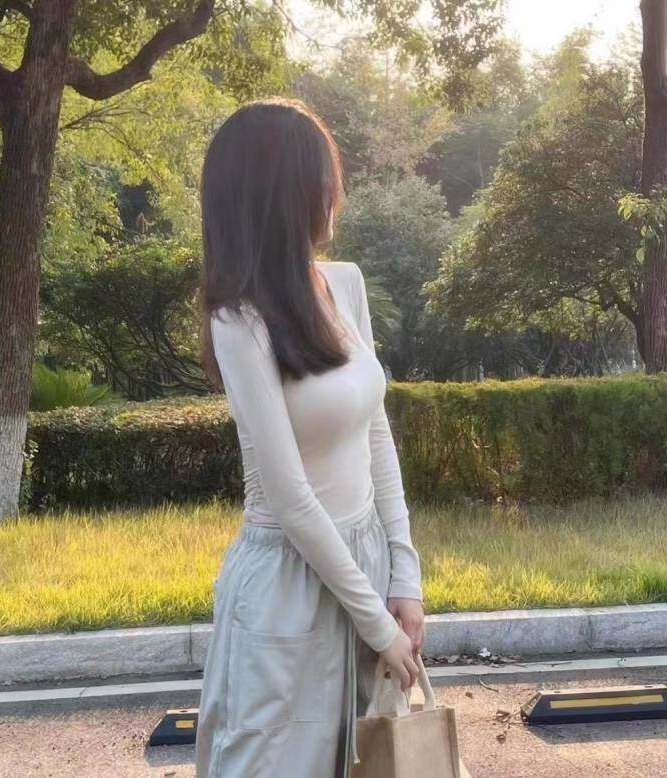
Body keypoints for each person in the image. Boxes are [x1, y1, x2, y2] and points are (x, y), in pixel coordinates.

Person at [195, 97, 425, 778]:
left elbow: (375, 433)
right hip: (286, 584)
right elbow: (290, 497)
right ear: (281, 192)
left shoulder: (344, 286)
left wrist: (405, 574)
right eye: (320, 175)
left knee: (370, 765)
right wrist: (378, 626)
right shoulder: (238, 319)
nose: (334, 191)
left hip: (365, 562)